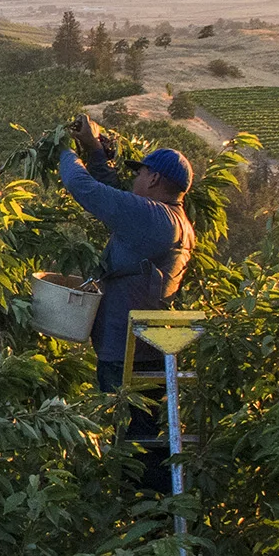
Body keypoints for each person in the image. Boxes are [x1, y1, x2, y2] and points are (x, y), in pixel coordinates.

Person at [60, 116, 196, 489]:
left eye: (140, 174)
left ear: (153, 179)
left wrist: (62, 150)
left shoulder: (153, 219)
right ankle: (159, 518)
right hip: (149, 346)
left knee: (133, 449)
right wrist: (94, 149)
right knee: (150, 439)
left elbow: (83, 186)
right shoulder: (174, 220)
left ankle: (148, 521)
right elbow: (114, 193)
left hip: (124, 352)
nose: (134, 179)